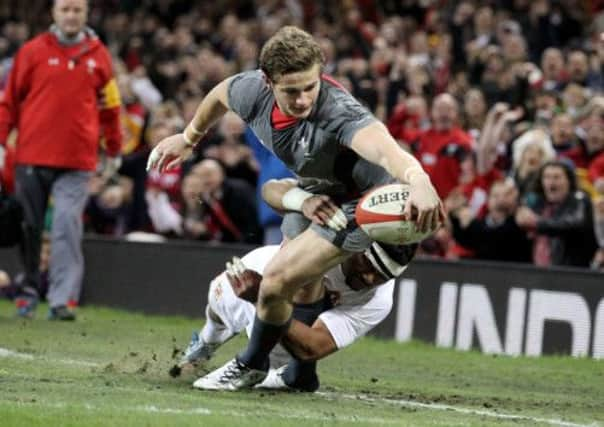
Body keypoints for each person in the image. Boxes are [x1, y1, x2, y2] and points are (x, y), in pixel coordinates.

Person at [147, 26, 442, 389]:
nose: (303, 99)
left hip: (361, 206)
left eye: (310, 87)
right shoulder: (250, 92)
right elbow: (220, 93)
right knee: (298, 287)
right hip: (319, 195)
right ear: (267, 82)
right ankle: (298, 376)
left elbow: (384, 149)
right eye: (292, 90)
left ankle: (250, 364)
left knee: (275, 280)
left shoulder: (339, 112)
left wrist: (419, 179)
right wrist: (189, 138)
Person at [0, 0, 122, 319]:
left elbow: (111, 109)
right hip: (31, 154)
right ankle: (27, 291)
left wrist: (114, 149)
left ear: (86, 14)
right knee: (29, 225)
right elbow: (8, 101)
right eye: (65, 9)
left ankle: (61, 299)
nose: (71, 16)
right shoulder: (32, 51)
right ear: (54, 13)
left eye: (77, 10)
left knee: (67, 225)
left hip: (78, 158)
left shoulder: (99, 56)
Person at [180, 241, 415, 392]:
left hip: (289, 320)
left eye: (384, 275)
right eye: (370, 265)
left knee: (282, 355)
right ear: (358, 247)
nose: (371, 279)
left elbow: (313, 347)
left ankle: (264, 366)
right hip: (264, 270)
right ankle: (205, 342)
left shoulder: (379, 300)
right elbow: (273, 191)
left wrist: (262, 299)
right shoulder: (329, 243)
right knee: (219, 297)